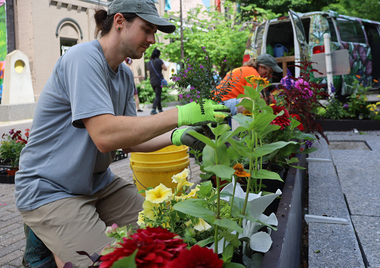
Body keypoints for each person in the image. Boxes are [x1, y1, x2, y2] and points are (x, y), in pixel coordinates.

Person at [15, 0, 229, 267]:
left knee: (162, 235)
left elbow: (130, 139)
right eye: (146, 29)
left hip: (97, 184)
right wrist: (180, 114)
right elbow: (105, 137)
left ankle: (54, 238)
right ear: (119, 22)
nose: (152, 39)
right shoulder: (83, 58)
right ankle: (46, 239)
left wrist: (179, 135)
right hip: (50, 189)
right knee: (107, 262)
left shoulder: (125, 76)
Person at [215, 54, 282, 116]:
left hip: (218, 102)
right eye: (270, 72)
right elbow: (256, 97)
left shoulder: (246, 69)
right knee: (253, 101)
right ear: (261, 67)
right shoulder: (253, 74)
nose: (270, 75)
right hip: (222, 104)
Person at [147, 48, 167, 115]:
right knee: (158, 95)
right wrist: (163, 62)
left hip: (152, 81)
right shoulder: (159, 61)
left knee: (157, 95)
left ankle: (160, 109)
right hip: (158, 80)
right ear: (158, 54)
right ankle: (153, 109)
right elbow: (165, 68)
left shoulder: (149, 62)